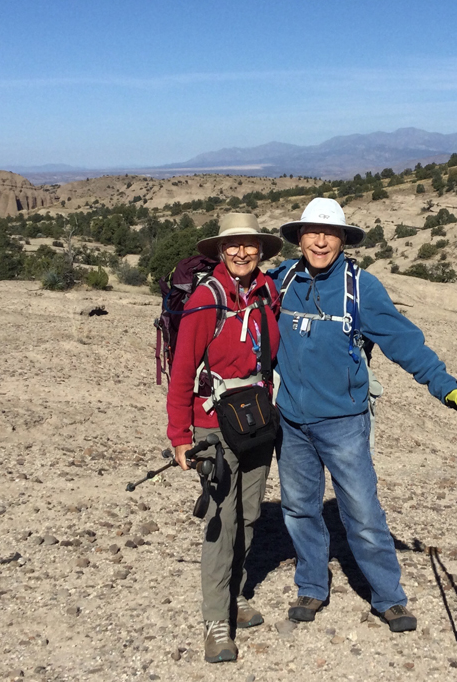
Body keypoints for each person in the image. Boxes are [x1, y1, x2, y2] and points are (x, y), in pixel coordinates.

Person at [267, 197, 457, 633]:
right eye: (312, 232)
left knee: (361, 512)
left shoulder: (361, 287)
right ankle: (311, 584)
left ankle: (389, 597)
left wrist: (448, 390)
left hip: (343, 422)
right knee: (299, 509)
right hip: (290, 421)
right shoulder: (283, 280)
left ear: (343, 239)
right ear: (299, 237)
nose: (320, 241)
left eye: (330, 233)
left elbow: (405, 344)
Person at [165, 213, 283, 663]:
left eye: (248, 245)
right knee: (222, 519)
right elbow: (181, 374)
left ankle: (236, 591)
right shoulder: (205, 298)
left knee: (250, 513)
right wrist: (179, 434)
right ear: (219, 250)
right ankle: (217, 619)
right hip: (213, 426)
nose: (240, 252)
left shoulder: (267, 293)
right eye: (231, 245)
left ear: (260, 250)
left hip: (257, 420)